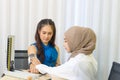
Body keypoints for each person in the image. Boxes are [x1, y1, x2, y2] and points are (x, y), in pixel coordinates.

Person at [31, 26, 97, 80]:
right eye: (44, 33)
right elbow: (31, 61)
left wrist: (39, 66)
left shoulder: (78, 62)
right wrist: (33, 64)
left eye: (66, 41)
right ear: (39, 32)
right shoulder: (89, 57)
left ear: (76, 41)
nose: (46, 36)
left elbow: (58, 67)